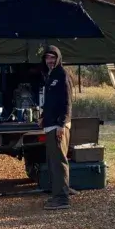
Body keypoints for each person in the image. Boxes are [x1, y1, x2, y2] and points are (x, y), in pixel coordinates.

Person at [38, 45, 73, 210]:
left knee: (59, 162)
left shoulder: (62, 75)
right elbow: (51, 101)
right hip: (50, 124)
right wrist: (43, 117)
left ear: (58, 58)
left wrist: (61, 124)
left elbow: (67, 102)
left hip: (58, 126)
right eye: (47, 58)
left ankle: (62, 199)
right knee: (54, 162)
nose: (50, 61)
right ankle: (59, 193)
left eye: (52, 58)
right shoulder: (50, 76)